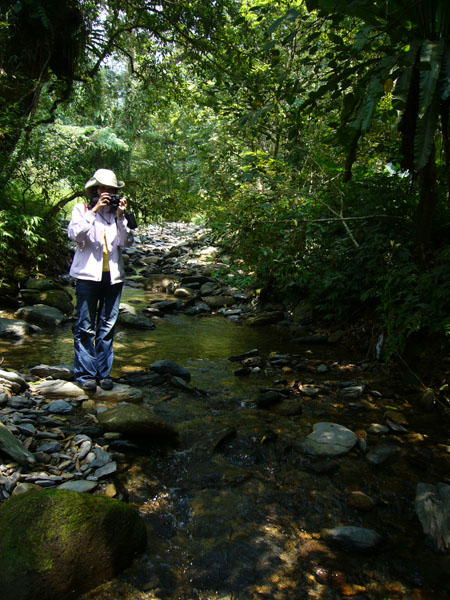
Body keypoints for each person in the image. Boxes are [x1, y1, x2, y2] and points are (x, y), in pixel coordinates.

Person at [68, 168, 133, 392]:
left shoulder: (117, 215)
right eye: (104, 189)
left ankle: (103, 374)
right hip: (87, 277)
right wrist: (94, 210)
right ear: (95, 190)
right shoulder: (82, 209)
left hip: (113, 278)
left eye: (112, 190)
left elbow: (126, 243)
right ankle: (85, 374)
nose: (108, 193)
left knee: (107, 326)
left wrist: (121, 218)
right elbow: (75, 235)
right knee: (85, 327)